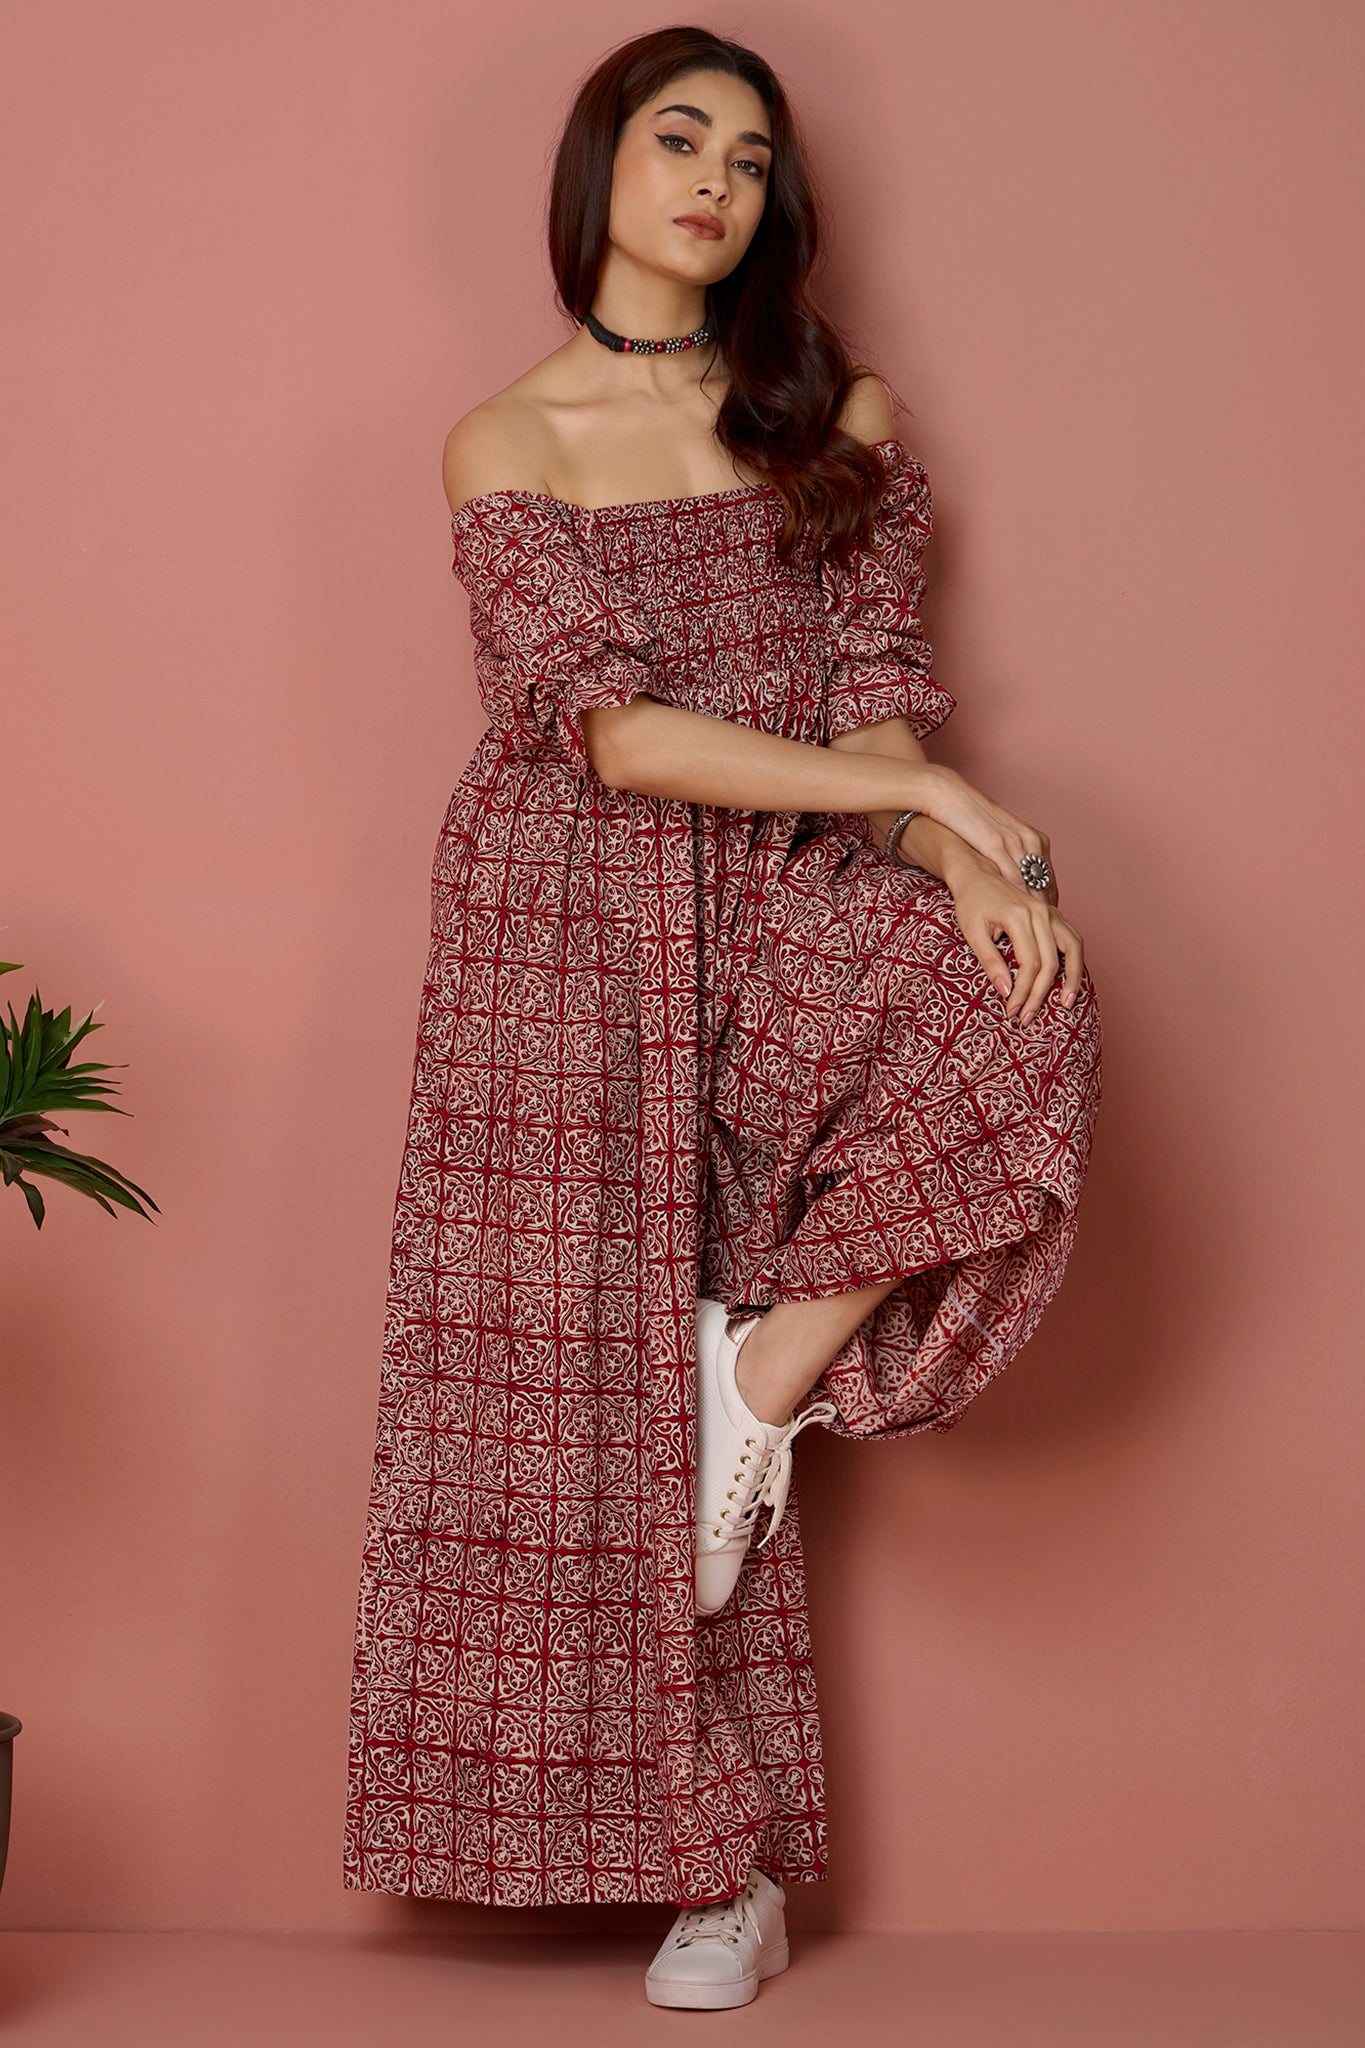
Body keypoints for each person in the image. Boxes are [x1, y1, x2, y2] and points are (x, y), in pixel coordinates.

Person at [343, 25, 1103, 2012]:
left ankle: (751, 1387)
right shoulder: (505, 441)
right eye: (677, 140)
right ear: (597, 167)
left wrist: (950, 850)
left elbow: (872, 698)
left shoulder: (829, 410)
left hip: (782, 891)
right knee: (564, 1405)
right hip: (559, 926)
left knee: (1017, 995)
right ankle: (720, 1877)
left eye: (749, 160)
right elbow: (611, 737)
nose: (711, 181)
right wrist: (931, 806)